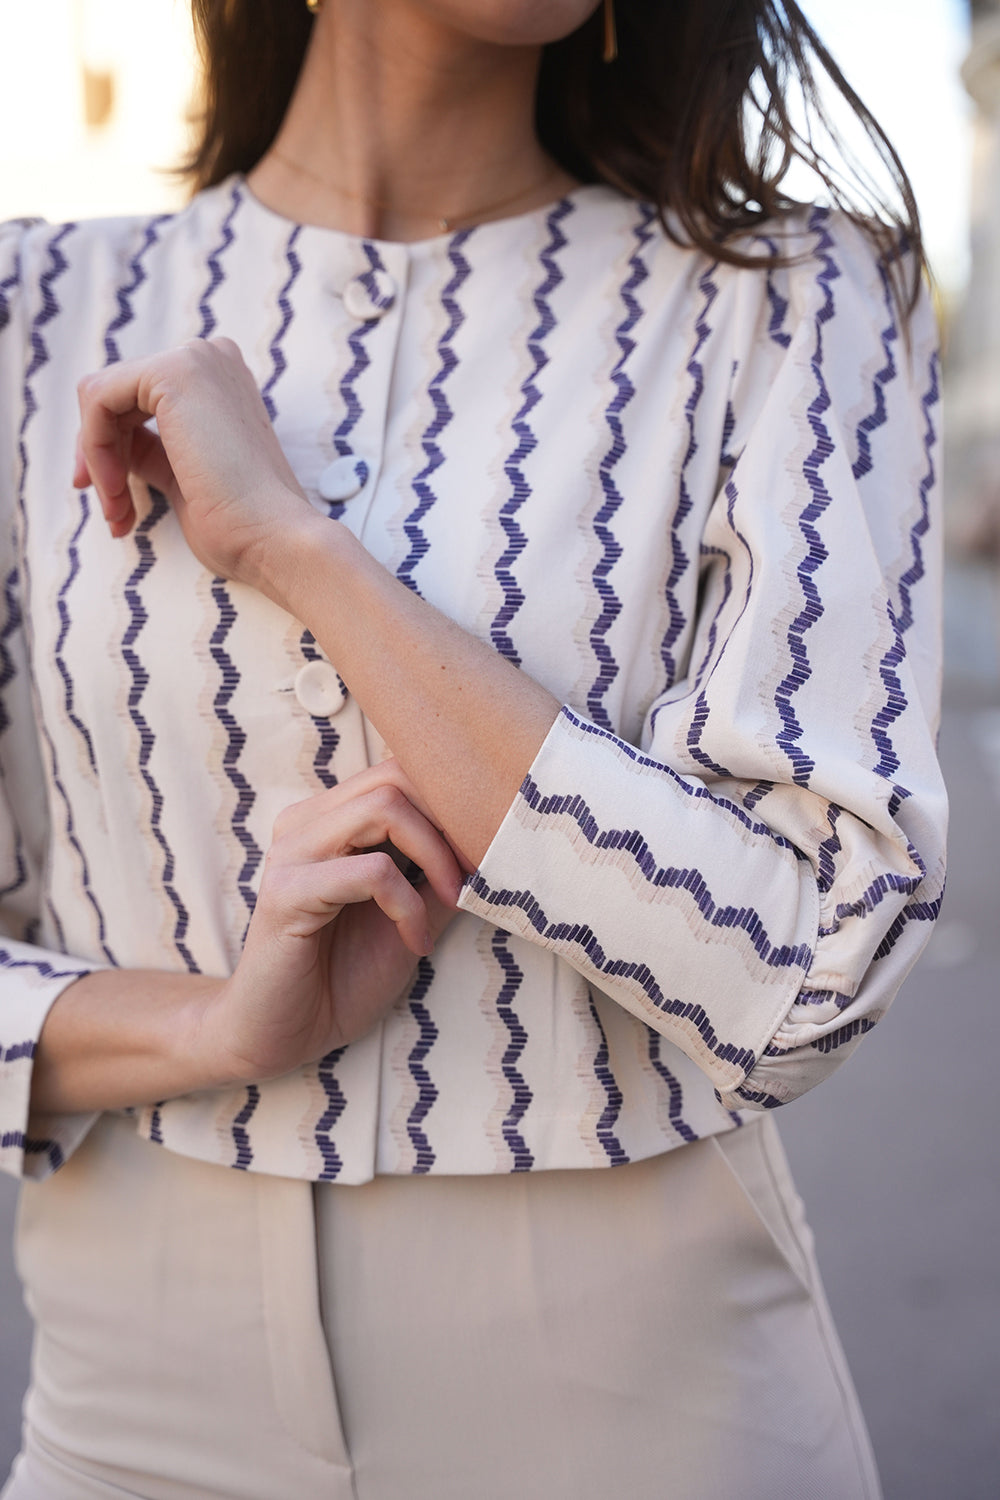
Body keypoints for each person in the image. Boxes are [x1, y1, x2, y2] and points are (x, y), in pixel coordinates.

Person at [0, 1, 946, 1496]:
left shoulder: (786, 302)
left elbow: (810, 968)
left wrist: (306, 555)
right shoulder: (37, 310)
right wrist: (216, 1032)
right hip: (131, 1388)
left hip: (643, 1393)